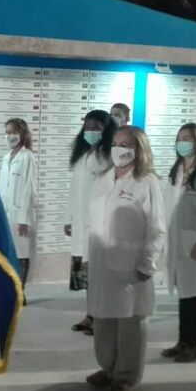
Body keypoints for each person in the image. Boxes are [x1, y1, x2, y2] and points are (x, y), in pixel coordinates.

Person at [86, 126, 165, 391]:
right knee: (104, 319)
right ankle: (107, 368)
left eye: (127, 144)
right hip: (101, 262)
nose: (121, 149)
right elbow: (94, 223)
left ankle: (126, 374)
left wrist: (148, 262)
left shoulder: (147, 182)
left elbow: (157, 227)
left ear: (139, 149)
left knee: (130, 322)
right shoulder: (102, 179)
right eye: (117, 143)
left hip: (131, 265)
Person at [161, 124, 196, 363]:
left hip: (195, 242)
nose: (183, 142)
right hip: (176, 239)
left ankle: (193, 345)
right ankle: (182, 342)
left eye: (188, 139)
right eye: (180, 138)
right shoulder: (177, 169)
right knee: (185, 294)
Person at [65, 110, 114, 335]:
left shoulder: (109, 155)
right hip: (81, 220)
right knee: (88, 275)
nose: (91, 131)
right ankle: (90, 314)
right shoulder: (82, 154)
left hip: (98, 223)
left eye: (97, 127)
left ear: (106, 130)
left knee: (99, 274)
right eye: (88, 127)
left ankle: (101, 317)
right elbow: (75, 190)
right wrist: (69, 218)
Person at [0, 118, 38, 301]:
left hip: (21, 214)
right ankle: (9, 289)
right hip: (5, 213)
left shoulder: (27, 156)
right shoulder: (6, 157)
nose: (10, 136)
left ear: (22, 134)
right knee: (7, 253)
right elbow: (1, 187)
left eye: (14, 132)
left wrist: (24, 218)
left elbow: (30, 188)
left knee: (22, 254)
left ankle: (20, 293)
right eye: (7, 132)